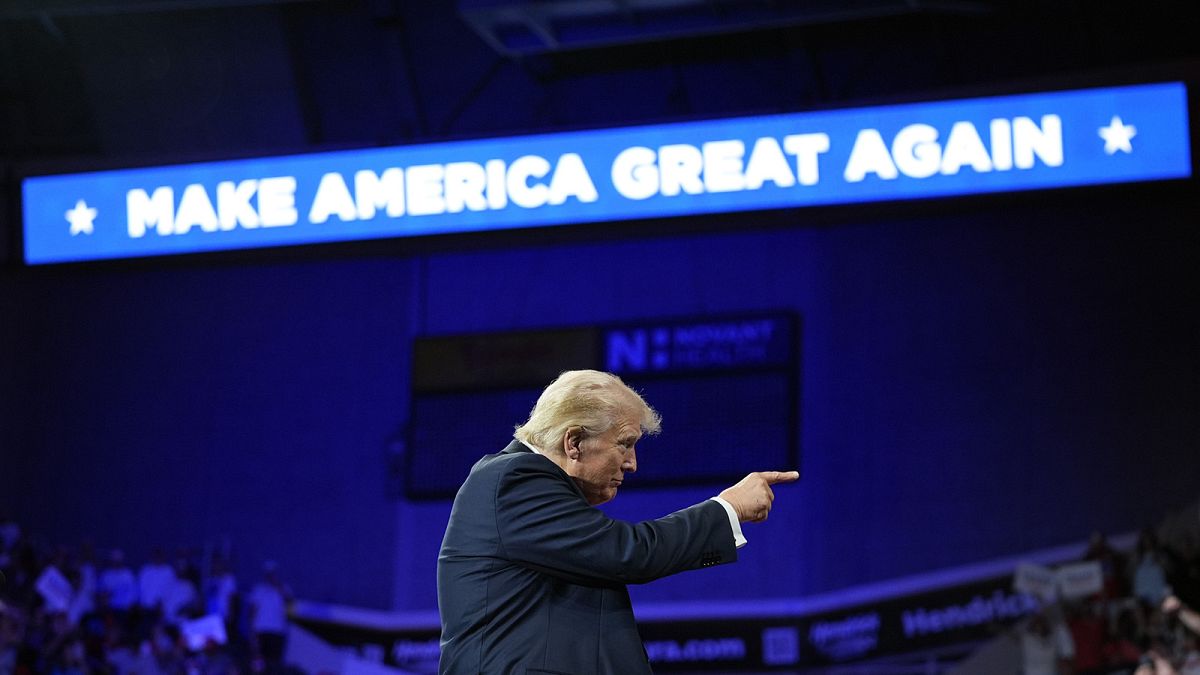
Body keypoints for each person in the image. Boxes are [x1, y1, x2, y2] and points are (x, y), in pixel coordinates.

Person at [437, 369, 798, 674]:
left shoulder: (531, 489)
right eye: (625, 444)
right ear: (574, 441)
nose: (632, 464)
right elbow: (628, 553)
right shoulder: (513, 478)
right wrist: (727, 508)